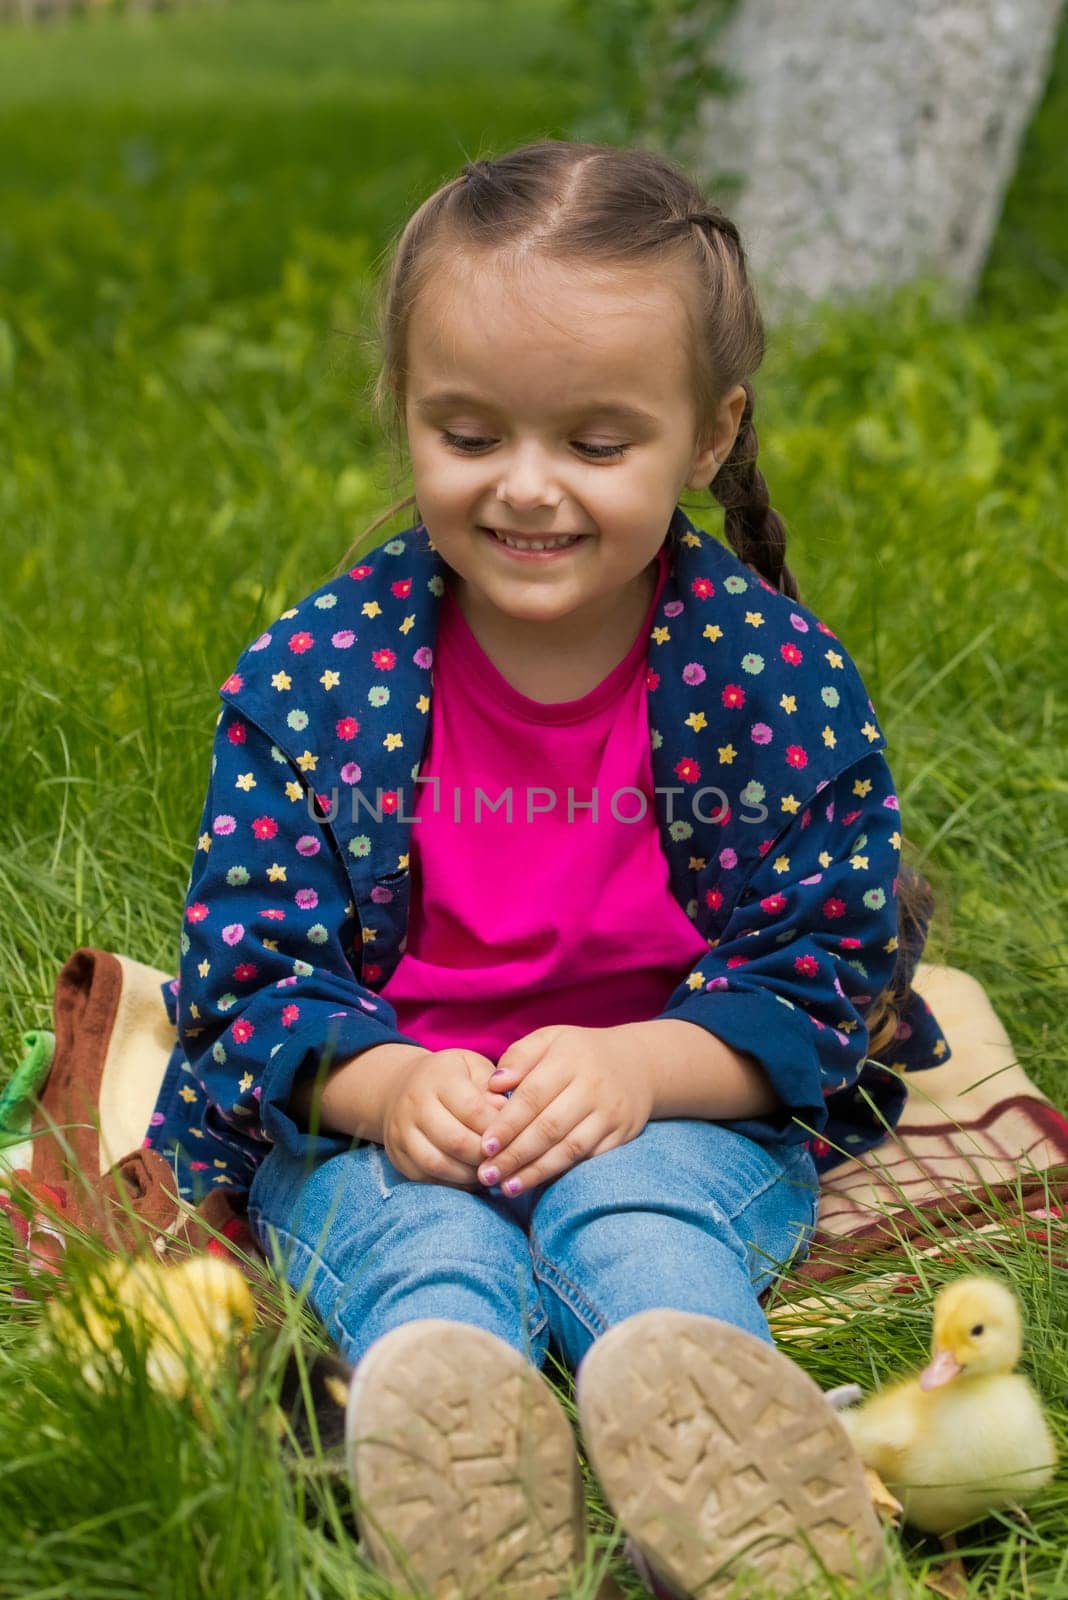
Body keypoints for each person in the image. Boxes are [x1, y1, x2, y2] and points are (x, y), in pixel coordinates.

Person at [151, 140, 951, 1600]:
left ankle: (723, 1471)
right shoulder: (318, 680)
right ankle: (449, 1471)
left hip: (677, 1100)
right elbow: (247, 973)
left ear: (709, 437)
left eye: (595, 444)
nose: (528, 491)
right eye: (470, 436)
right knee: (426, 1249)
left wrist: (649, 1068)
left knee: (639, 1228)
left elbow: (825, 961)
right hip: (389, 1119)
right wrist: (386, 1088)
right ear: (407, 411)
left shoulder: (770, 680)